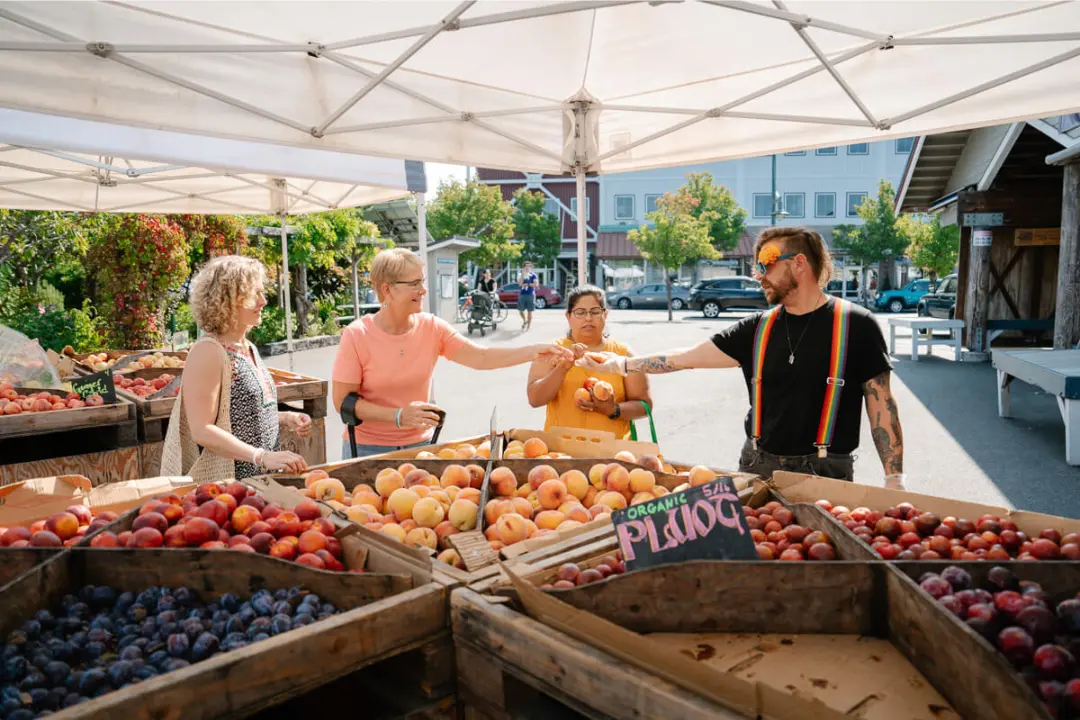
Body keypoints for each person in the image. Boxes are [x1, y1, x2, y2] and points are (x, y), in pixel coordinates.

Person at [576, 227, 905, 488]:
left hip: (827, 472)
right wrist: (618, 364)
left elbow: (881, 406)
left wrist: (894, 479)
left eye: (766, 265)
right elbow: (684, 358)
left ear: (799, 263)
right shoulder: (757, 329)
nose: (758, 275)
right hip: (757, 465)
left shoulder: (856, 325)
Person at [332, 249, 573, 459]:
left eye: (422, 281)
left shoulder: (432, 327)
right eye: (414, 284)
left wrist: (533, 351)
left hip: (421, 447)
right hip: (367, 450)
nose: (423, 290)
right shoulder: (357, 335)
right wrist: (398, 416)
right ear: (387, 290)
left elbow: (481, 357)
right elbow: (343, 402)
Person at [166, 255, 310, 479]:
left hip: (261, 483)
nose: (263, 301)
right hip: (230, 488)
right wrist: (261, 456)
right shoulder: (208, 351)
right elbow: (202, 429)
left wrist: (284, 418)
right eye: (255, 294)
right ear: (228, 300)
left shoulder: (247, 347)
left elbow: (240, 413)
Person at [526, 285, 652, 436]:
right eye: (580, 312)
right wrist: (563, 368)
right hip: (562, 451)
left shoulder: (623, 354)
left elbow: (645, 406)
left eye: (595, 312)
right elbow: (535, 399)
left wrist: (613, 410)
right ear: (568, 316)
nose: (588, 318)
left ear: (605, 314)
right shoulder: (552, 351)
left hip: (612, 453)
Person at [518, 261, 538, 330]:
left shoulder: (533, 275)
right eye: (526, 266)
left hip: (530, 294)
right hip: (522, 294)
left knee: (530, 311)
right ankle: (525, 320)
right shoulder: (520, 274)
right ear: (524, 267)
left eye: (529, 266)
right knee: (520, 310)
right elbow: (520, 284)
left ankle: (528, 326)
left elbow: (536, 284)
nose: (528, 267)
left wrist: (528, 284)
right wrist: (523, 275)